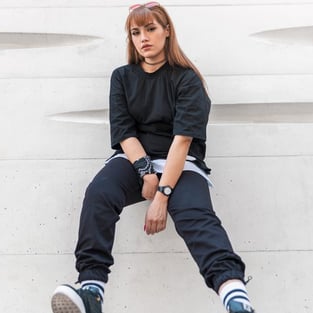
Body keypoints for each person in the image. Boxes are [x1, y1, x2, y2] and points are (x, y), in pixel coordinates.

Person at [51, 2, 255, 313]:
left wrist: (163, 195)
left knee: (195, 215)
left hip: (180, 162)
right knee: (99, 194)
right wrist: (146, 172)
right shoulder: (122, 77)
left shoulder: (186, 79)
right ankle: (91, 290)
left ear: (167, 31)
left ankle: (235, 296)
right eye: (135, 32)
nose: (143, 37)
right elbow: (124, 132)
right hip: (134, 160)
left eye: (150, 29)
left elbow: (182, 140)